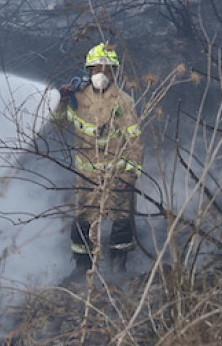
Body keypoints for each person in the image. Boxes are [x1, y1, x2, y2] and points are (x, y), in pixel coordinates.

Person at [52, 43, 143, 274]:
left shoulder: (124, 102)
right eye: (96, 69)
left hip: (117, 176)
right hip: (87, 176)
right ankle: (81, 269)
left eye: (108, 69)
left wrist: (129, 175)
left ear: (115, 72)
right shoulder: (78, 98)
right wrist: (62, 101)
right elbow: (59, 125)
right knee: (83, 220)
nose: (101, 74)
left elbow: (135, 142)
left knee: (122, 222)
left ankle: (118, 268)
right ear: (88, 70)